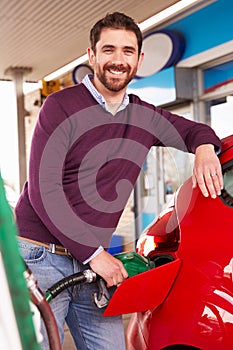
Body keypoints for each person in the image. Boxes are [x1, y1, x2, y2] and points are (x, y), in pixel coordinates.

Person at [15, 12, 223, 350]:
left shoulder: (143, 116)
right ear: (92, 55)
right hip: (43, 255)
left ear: (139, 59)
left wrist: (204, 148)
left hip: (93, 263)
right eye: (108, 50)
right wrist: (96, 255)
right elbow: (44, 190)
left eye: (128, 51)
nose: (118, 60)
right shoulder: (60, 106)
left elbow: (192, 130)